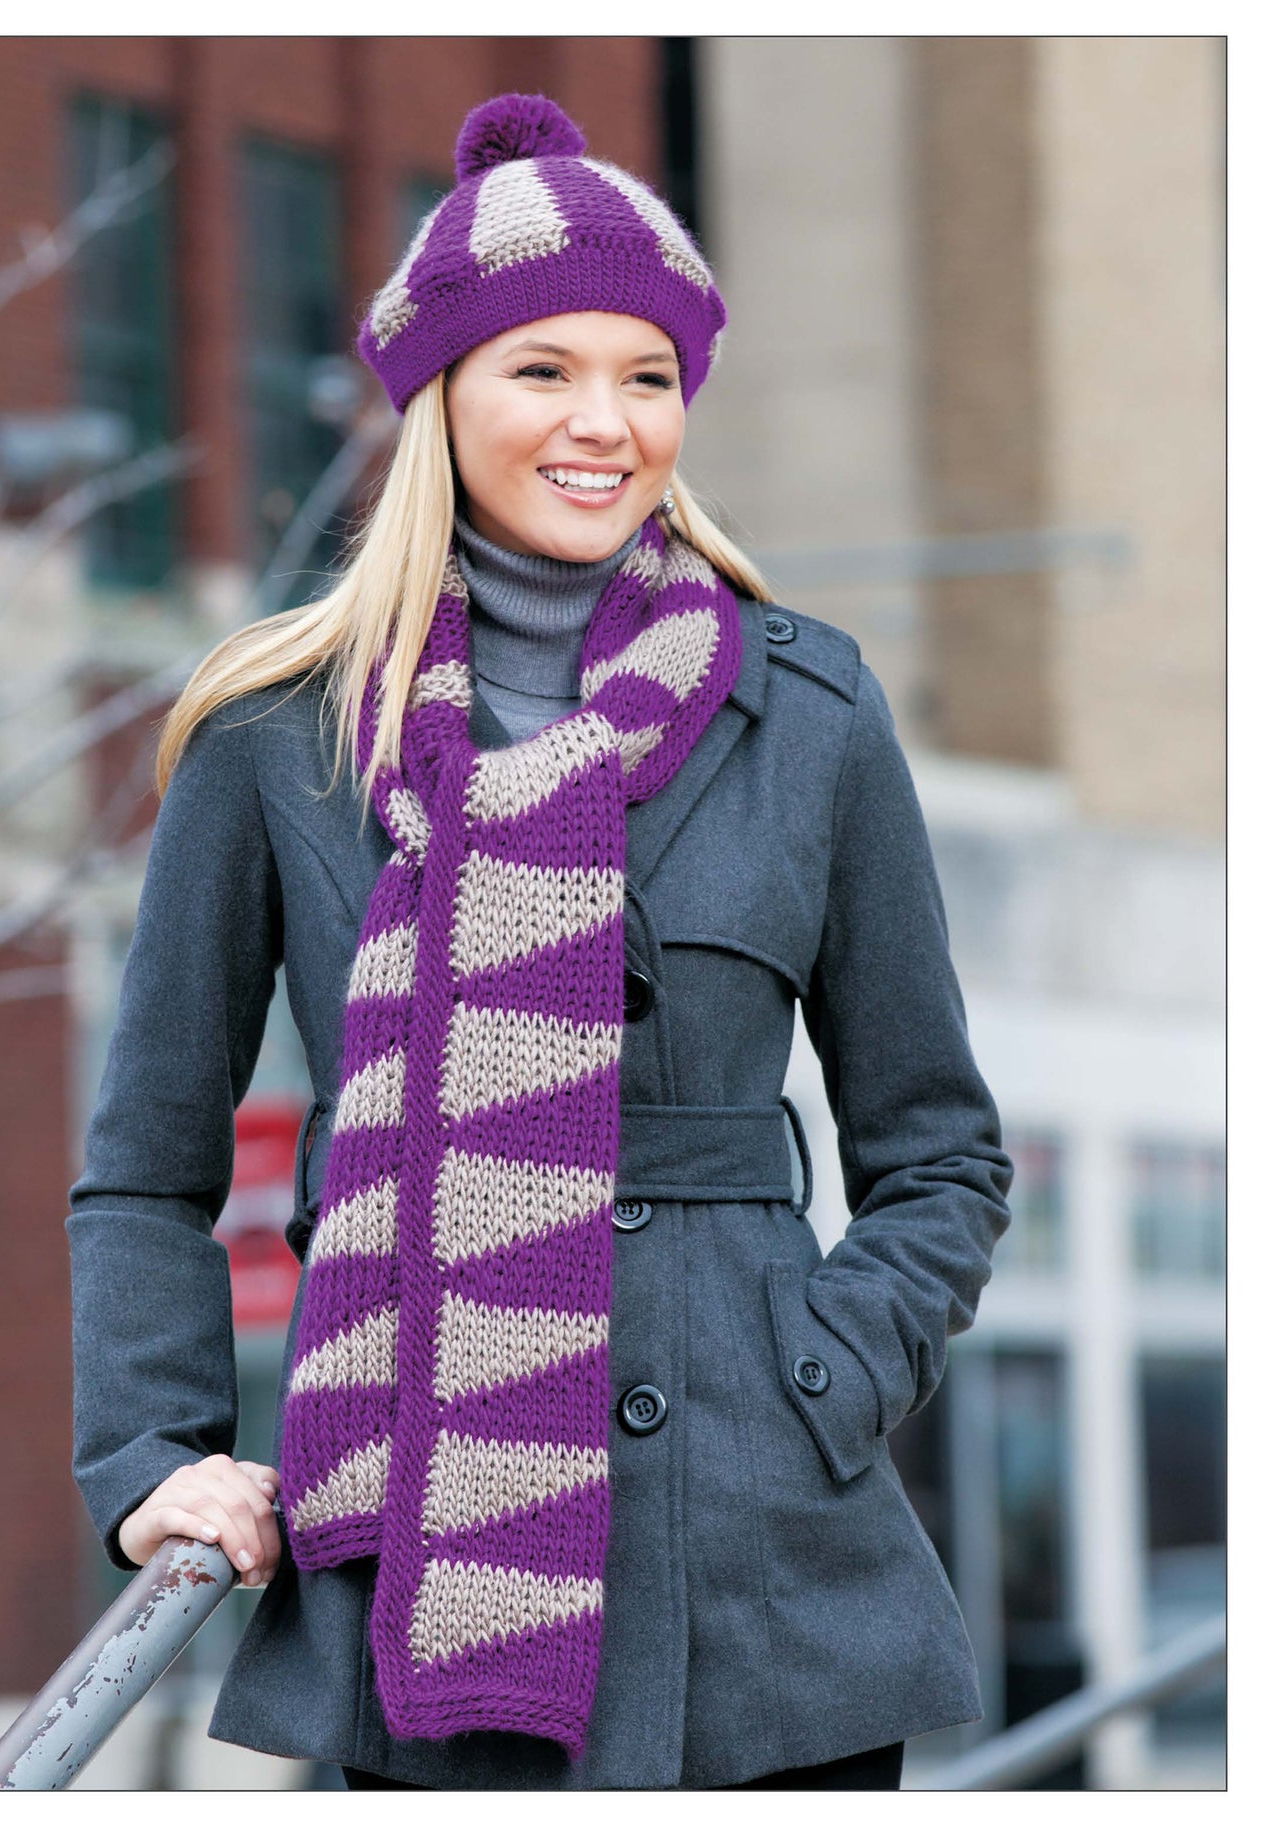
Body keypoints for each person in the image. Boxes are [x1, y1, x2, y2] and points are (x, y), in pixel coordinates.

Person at [67, 92, 1013, 1792]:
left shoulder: (808, 712)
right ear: (440, 393)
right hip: (417, 1564)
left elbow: (938, 1148)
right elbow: (147, 1162)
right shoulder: (279, 735)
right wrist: (154, 1453)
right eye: (544, 369)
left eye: (646, 376)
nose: (604, 422)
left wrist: (820, 1369)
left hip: (760, 1571)